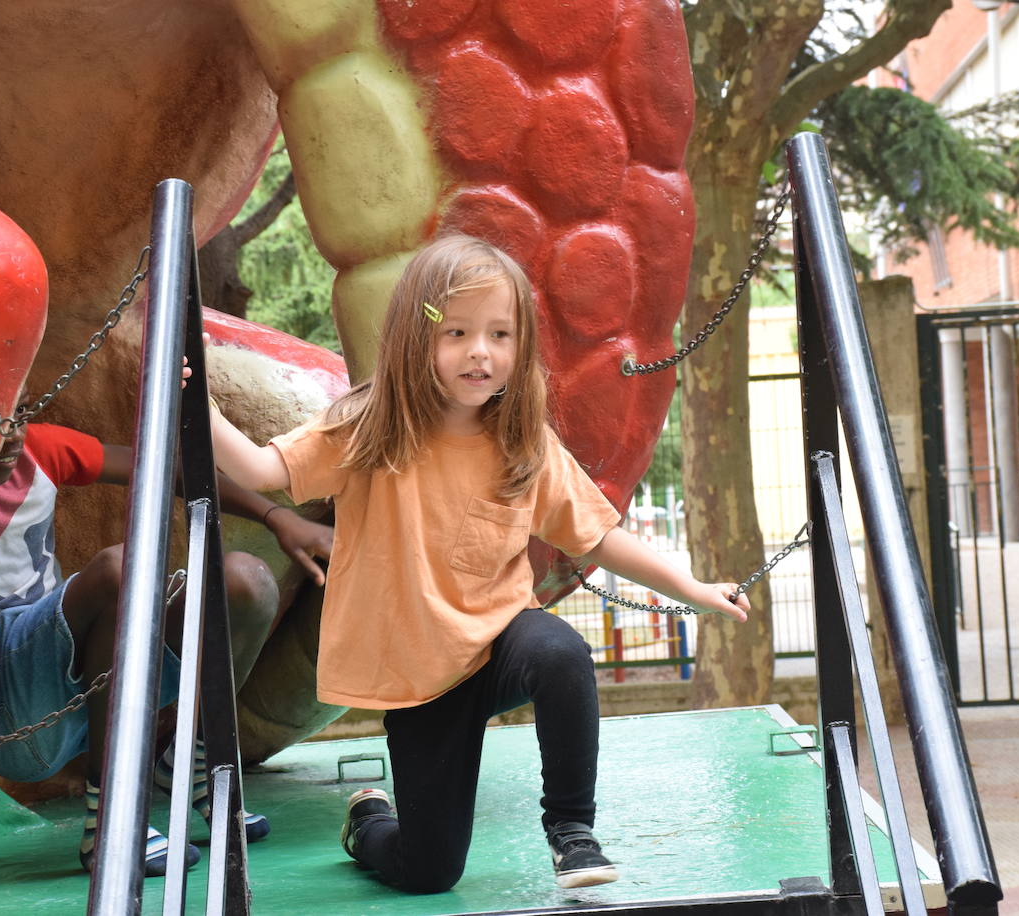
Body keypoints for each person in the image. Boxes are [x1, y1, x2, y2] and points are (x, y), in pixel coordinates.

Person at [205, 234, 750, 893]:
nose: (480, 352)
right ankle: (369, 824)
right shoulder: (369, 427)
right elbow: (263, 469)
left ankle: (573, 833)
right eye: (458, 332)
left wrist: (690, 589)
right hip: (419, 679)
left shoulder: (520, 439)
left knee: (561, 655)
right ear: (418, 333)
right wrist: (196, 404)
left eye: (500, 334)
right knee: (428, 871)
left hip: (498, 643)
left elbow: (597, 537)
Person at [0, 417, 334, 875]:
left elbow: (164, 469)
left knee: (245, 582)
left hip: (77, 686)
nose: (10, 431)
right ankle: (114, 813)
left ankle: (189, 762)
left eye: (20, 408)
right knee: (119, 569)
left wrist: (277, 517)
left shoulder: (34, 448)